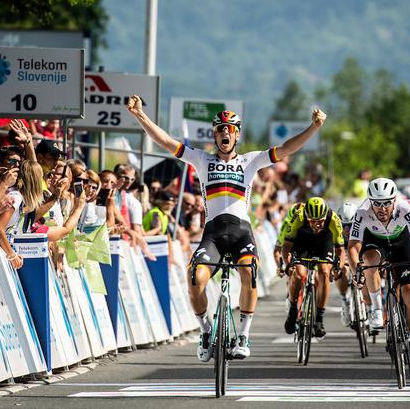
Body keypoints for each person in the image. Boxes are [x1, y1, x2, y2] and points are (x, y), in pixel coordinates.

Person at [126, 95, 325, 361]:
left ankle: (243, 335)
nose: (224, 133)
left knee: (249, 272)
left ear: (237, 135)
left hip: (242, 231)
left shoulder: (250, 161)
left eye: (230, 129)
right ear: (215, 134)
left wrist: (313, 128)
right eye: (220, 129)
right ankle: (206, 331)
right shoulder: (201, 159)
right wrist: (140, 115)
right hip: (214, 234)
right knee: (195, 278)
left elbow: (286, 149)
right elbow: (165, 141)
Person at [348, 177, 410, 374]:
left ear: (394, 200)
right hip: (375, 241)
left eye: (386, 203)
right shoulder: (362, 212)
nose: (382, 208)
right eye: (377, 204)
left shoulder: (406, 209)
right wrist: (355, 270)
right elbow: (352, 247)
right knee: (368, 259)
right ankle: (377, 309)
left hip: (402, 243)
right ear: (370, 202)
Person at [280, 197, 345, 338]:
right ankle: (292, 309)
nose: (317, 225)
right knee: (298, 273)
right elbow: (286, 246)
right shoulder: (299, 216)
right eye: (313, 221)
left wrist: (338, 267)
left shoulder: (332, 218)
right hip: (302, 242)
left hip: (324, 243)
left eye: (320, 221)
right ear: (307, 217)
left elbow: (341, 250)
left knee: (324, 272)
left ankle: (319, 320)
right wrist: (288, 264)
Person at [337, 201, 359, 327]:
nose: (347, 230)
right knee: (342, 270)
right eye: (343, 225)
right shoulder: (334, 229)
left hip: (357, 249)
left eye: (350, 225)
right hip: (343, 251)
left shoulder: (363, 225)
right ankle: (345, 301)